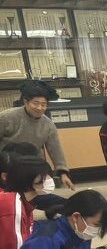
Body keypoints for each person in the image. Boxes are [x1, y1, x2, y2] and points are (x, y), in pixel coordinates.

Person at [0, 81, 75, 210]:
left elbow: (55, 149)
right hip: (7, 167)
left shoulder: (48, 124)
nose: (40, 108)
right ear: (26, 101)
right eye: (36, 103)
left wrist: (62, 172)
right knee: (12, 200)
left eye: (43, 104)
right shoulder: (6, 117)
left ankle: (76, 208)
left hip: (31, 168)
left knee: (36, 197)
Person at [0, 155, 51, 249]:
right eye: (44, 177)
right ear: (31, 179)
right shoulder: (12, 204)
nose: (49, 180)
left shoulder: (22, 202)